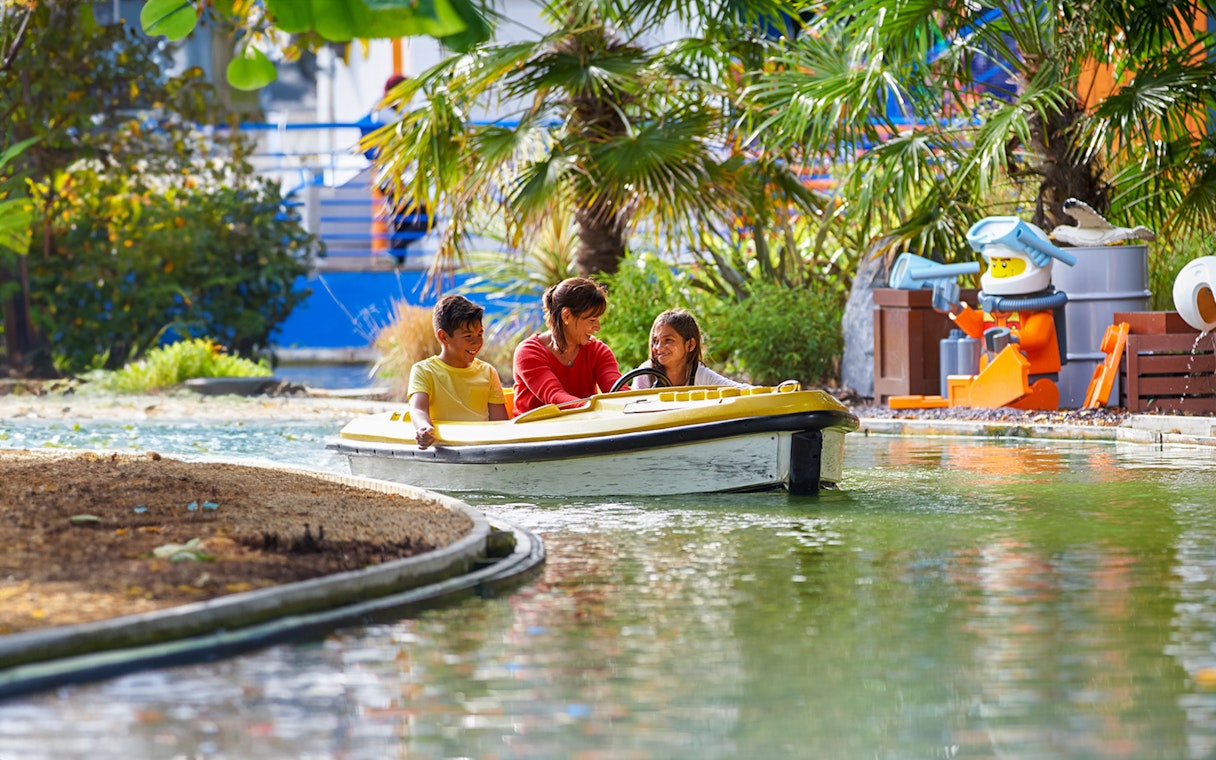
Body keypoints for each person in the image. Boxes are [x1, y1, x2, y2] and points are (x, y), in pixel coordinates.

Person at [511, 277, 623, 415]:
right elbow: (554, 397)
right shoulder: (529, 352)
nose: (598, 327)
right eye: (592, 320)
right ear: (566, 316)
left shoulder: (597, 350)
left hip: (583, 429)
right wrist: (597, 410)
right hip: (534, 432)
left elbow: (618, 391)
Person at [408, 295, 509, 449]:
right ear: (443, 337)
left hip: (481, 448)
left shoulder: (488, 372)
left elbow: (501, 422)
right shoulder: (424, 370)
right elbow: (417, 409)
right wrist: (423, 428)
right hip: (446, 447)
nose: (476, 342)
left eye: (480, 334)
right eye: (468, 336)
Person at [632, 309, 750, 389]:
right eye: (655, 341)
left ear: (690, 345)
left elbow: (737, 389)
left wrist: (767, 393)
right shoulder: (645, 375)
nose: (658, 347)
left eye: (668, 340)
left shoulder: (699, 374)